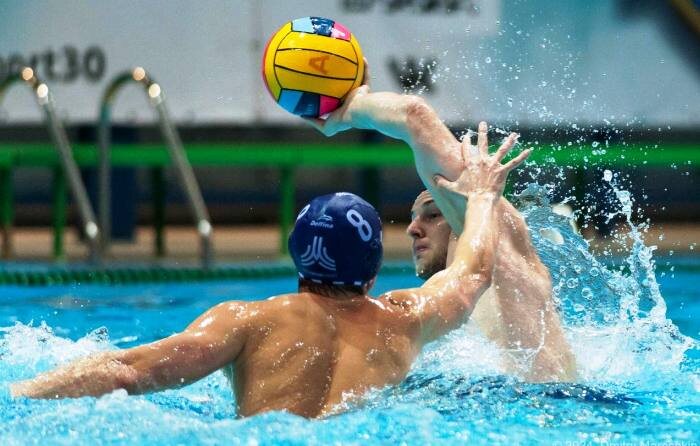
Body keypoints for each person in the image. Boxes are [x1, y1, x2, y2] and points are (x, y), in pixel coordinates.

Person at [10, 134, 531, 418]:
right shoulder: (405, 319)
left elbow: (126, 372)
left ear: (296, 253)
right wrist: (483, 196)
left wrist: (17, 394)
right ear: (373, 269)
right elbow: (472, 274)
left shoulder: (246, 320)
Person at [305, 65, 575, 381]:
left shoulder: (503, 251)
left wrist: (352, 110)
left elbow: (415, 116)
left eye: (433, 214)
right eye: (413, 217)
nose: (412, 229)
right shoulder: (446, 307)